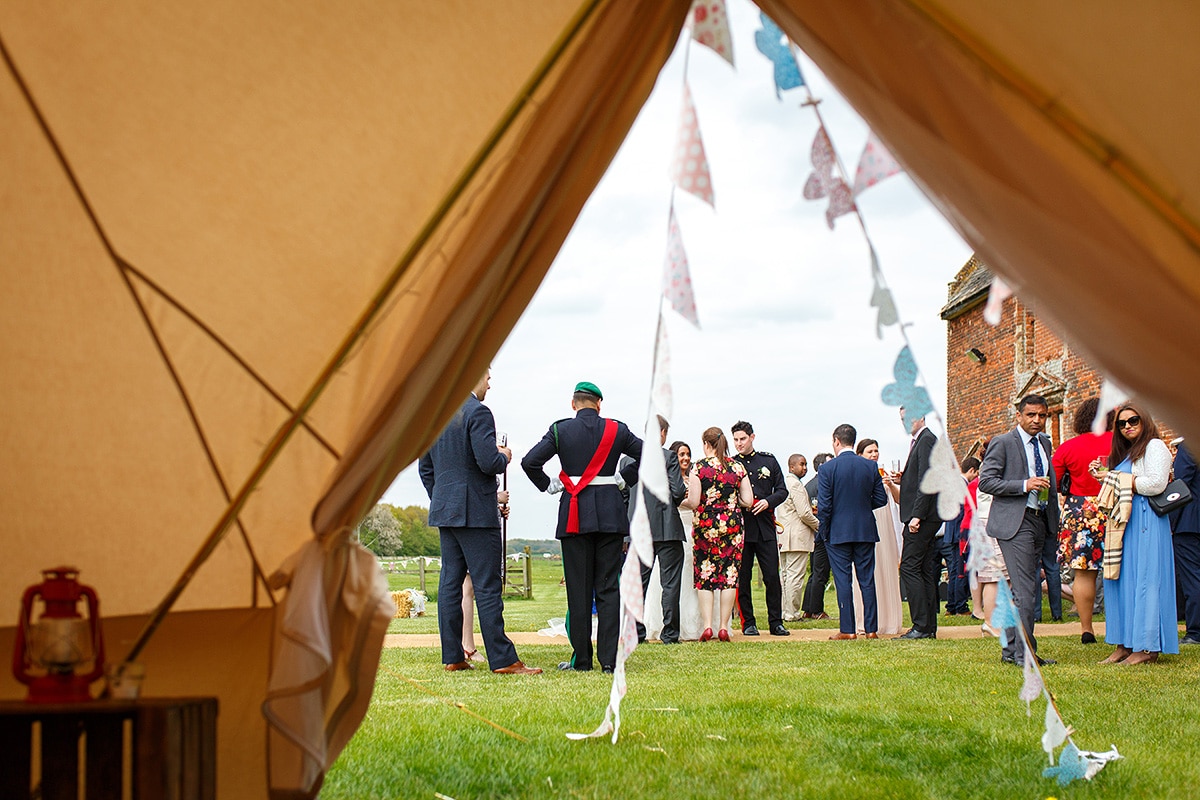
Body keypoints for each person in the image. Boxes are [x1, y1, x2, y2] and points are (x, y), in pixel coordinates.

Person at [418, 369, 541, 675]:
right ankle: (503, 659)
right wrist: (505, 455)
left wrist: (444, 499)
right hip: (476, 513)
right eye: (486, 375)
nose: (489, 382)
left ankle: (453, 656)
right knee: (486, 585)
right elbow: (487, 461)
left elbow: (425, 468)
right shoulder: (479, 412)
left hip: (446, 511)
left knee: (449, 584)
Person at [521, 381, 641, 673]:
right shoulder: (617, 429)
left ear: (573, 404)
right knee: (609, 589)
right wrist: (624, 478)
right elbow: (649, 455)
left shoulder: (560, 430)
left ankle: (582, 660)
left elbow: (529, 462)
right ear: (599, 404)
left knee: (578, 590)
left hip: (574, 514)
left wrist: (549, 485)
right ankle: (610, 661)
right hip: (611, 514)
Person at [1094, 402, 1178, 665]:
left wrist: (1118, 478)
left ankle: (1147, 647)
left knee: (1145, 582)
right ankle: (1124, 643)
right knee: (1120, 581)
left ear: (1145, 422)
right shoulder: (1125, 452)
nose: (1127, 426)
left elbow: (1156, 483)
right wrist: (1106, 477)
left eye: (1133, 421)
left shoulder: (1155, 446)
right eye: (1122, 423)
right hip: (1124, 524)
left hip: (1147, 521)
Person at [978, 394, 1058, 667]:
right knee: (1026, 591)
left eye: (1042, 415)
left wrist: (1053, 523)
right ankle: (1026, 655)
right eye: (1031, 415)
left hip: (1040, 520)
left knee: (1021, 591)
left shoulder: (1045, 443)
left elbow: (1052, 486)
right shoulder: (1003, 443)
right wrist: (1024, 485)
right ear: (1019, 416)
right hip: (1015, 522)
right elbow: (986, 482)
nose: (1037, 420)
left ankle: (1011, 650)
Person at [1051, 397, 1114, 644]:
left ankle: (1086, 628)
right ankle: (1120, 625)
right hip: (1114, 504)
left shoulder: (1067, 447)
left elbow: (1055, 483)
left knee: (1083, 574)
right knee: (1120, 569)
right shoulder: (1120, 442)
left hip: (1079, 509)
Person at [682, 427, 754, 641]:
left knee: (705, 574)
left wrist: (680, 501)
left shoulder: (699, 468)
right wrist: (732, 503)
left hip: (705, 524)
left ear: (706, 444)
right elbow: (748, 501)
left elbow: (693, 502)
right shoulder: (737, 467)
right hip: (732, 525)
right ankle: (723, 626)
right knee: (730, 575)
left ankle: (707, 626)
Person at [817, 424, 888, 639]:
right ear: (854, 442)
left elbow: (824, 506)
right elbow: (881, 499)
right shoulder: (869, 467)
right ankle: (871, 629)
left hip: (838, 532)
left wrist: (825, 531)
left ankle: (848, 630)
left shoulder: (827, 469)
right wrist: (863, 508)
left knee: (843, 581)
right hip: (865, 529)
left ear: (836, 441)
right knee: (867, 580)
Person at [626, 416, 687, 644]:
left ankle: (637, 633)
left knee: (638, 584)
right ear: (662, 433)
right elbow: (678, 490)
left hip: (639, 529)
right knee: (670, 583)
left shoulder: (627, 462)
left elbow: (624, 495)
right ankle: (670, 634)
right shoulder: (668, 457)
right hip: (667, 527)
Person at [731, 421, 790, 636]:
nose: (739, 443)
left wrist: (768, 502)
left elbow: (783, 490)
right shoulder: (732, 464)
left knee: (772, 577)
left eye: (743, 439)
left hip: (765, 527)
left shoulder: (768, 460)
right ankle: (748, 622)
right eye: (736, 440)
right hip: (742, 528)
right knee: (743, 577)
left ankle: (776, 622)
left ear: (752, 437)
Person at [851, 439, 903, 635]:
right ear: (860, 455)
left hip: (886, 526)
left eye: (876, 451)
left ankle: (889, 620)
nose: (874, 454)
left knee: (887, 567)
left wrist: (892, 485)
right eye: (869, 451)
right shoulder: (859, 475)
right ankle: (867, 619)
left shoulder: (885, 476)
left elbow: (898, 500)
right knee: (867, 572)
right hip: (868, 522)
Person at [898, 409, 941, 639]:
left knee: (909, 567)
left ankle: (921, 626)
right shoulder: (921, 441)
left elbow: (928, 480)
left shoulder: (926, 440)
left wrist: (917, 516)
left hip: (922, 516)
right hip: (926, 515)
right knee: (923, 569)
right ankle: (928, 627)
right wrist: (903, 478)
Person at [777, 454, 818, 621]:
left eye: (806, 464)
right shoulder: (795, 484)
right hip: (797, 537)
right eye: (802, 464)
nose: (805, 467)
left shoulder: (781, 483)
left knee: (786, 576)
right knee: (794, 576)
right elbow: (804, 513)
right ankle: (792, 613)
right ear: (791, 467)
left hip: (784, 535)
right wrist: (818, 525)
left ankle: (785, 611)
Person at [939, 457, 979, 617]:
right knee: (959, 571)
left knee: (954, 570)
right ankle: (959, 606)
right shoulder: (963, 486)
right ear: (972, 470)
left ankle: (952, 605)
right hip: (959, 533)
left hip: (951, 533)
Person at [1169, 439, 1200, 646]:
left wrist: (1170, 522)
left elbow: (1179, 487)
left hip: (1189, 522)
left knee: (1192, 578)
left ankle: (1196, 631)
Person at [801, 452, 834, 620]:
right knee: (821, 572)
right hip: (824, 531)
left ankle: (808, 607)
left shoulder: (808, 485)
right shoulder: (825, 483)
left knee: (815, 572)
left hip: (813, 533)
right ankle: (816, 610)